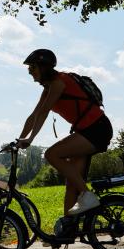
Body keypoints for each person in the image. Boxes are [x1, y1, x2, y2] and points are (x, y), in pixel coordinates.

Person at [16, 49, 113, 220]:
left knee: (51, 154)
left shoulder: (59, 83)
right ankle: (68, 228)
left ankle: (87, 195)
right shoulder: (48, 88)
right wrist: (19, 139)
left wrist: (30, 139)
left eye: (32, 68)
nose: (30, 72)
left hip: (96, 129)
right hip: (86, 131)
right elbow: (34, 115)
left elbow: (44, 112)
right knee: (72, 182)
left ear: (44, 67)